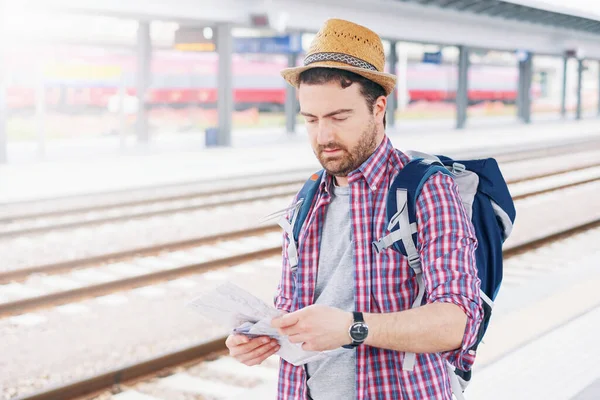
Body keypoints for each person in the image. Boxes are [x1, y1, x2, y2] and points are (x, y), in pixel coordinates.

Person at [226, 18, 483, 400]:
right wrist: (262, 336)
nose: (323, 136)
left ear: (378, 107)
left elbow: (456, 324)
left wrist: (353, 327)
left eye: (339, 117)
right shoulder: (308, 198)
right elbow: (294, 311)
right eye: (311, 120)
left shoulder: (426, 189)